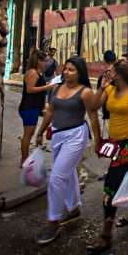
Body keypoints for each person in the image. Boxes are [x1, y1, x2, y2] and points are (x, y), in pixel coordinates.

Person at [86, 58, 128, 254]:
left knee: (111, 187)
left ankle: (105, 236)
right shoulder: (109, 90)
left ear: (120, 74)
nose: (108, 72)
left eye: (111, 71)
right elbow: (94, 107)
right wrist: (101, 88)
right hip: (114, 142)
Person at [35, 56, 101, 245]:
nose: (66, 72)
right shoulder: (57, 88)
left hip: (76, 136)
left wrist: (98, 141)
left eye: (71, 69)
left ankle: (53, 221)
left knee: (56, 177)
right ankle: (73, 208)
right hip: (57, 135)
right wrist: (40, 132)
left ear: (79, 72)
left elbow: (93, 116)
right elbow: (50, 111)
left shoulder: (85, 92)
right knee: (69, 172)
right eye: (65, 68)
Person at [19, 48, 55, 165]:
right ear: (38, 61)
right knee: (27, 135)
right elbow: (30, 90)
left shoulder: (38, 73)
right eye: (44, 61)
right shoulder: (32, 73)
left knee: (30, 133)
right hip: (29, 107)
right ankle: (24, 159)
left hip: (34, 107)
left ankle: (26, 158)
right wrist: (47, 87)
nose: (46, 63)